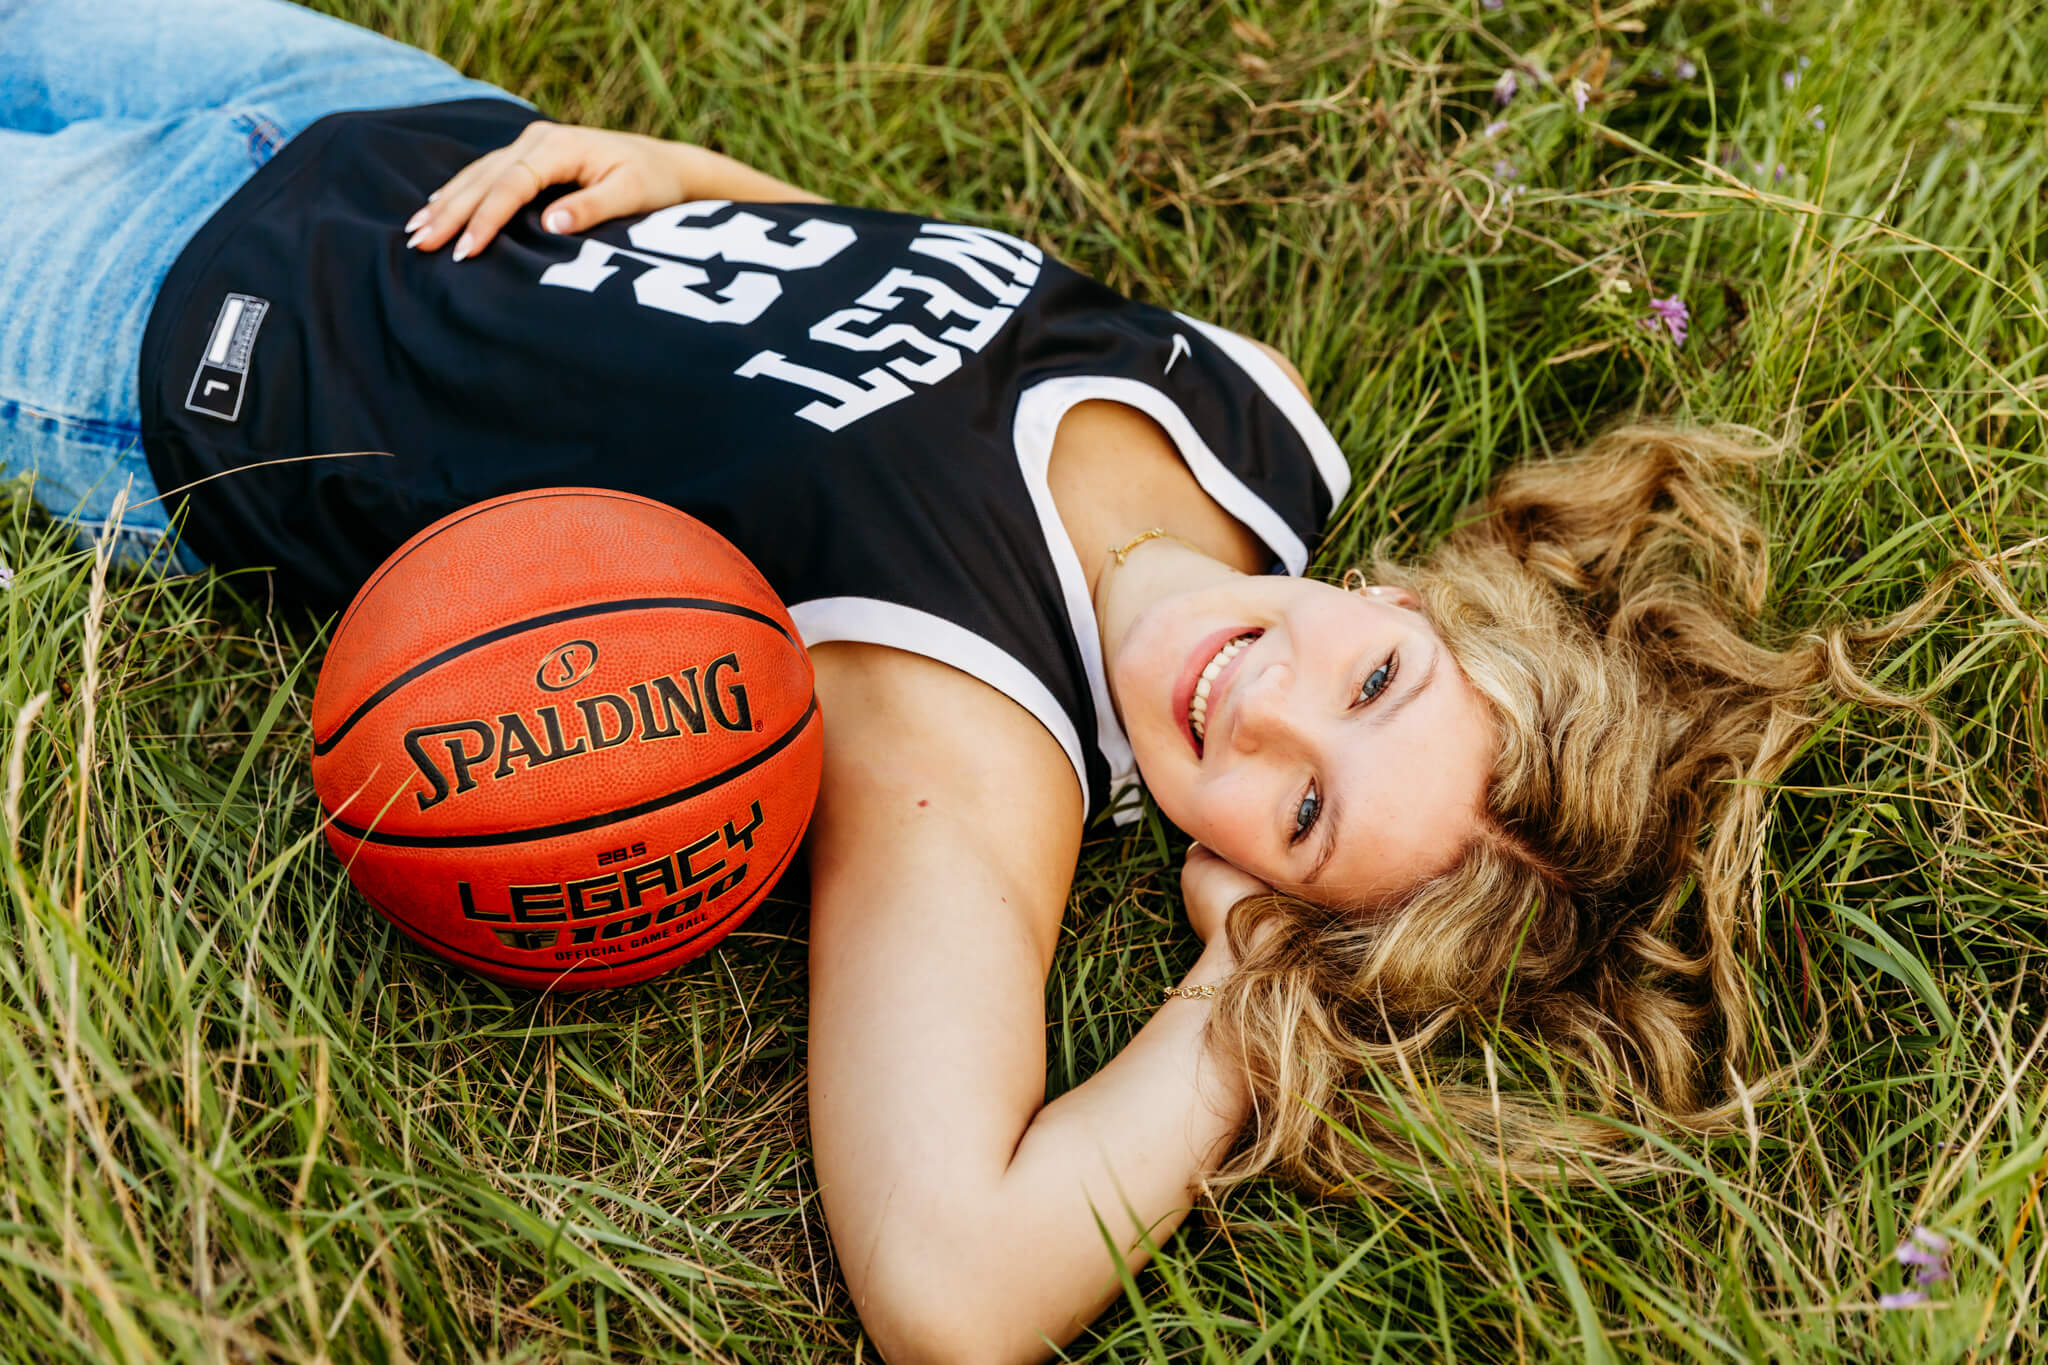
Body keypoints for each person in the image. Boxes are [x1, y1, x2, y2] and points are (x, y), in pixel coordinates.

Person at [0, 2, 1938, 1361]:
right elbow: (854, 332)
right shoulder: (1258, 426)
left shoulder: (961, 740)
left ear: (1261, 878)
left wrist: (1238, 998)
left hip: (175, 325)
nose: (1259, 703)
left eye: (1302, 812)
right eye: (1374, 678)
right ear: (1423, 599)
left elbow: (949, 1282)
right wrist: (719, 189)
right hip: (367, 119)